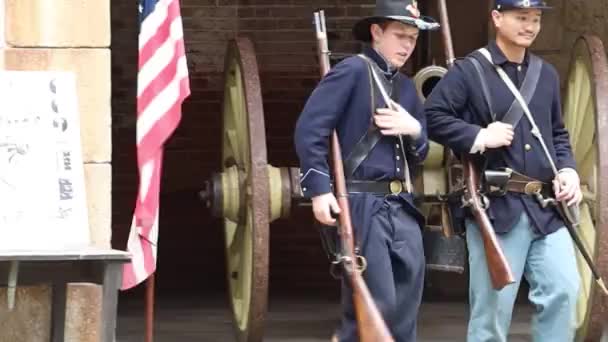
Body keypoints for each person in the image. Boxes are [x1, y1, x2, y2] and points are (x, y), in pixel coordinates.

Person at [424, 1, 582, 341]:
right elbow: (432, 117)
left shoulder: (546, 74)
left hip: (547, 208)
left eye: (536, 19)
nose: (530, 26)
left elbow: (557, 133)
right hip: (497, 209)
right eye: (521, 17)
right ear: (497, 18)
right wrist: (478, 136)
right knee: (492, 315)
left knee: (565, 292)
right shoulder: (469, 71)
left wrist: (568, 170)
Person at [294, 0, 439, 340]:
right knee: (374, 305)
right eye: (400, 35)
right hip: (362, 202)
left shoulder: (404, 87)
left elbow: (418, 154)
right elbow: (309, 130)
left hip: (401, 204)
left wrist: (414, 129)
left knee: (405, 306)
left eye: (413, 38)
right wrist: (319, 190)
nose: (407, 45)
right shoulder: (353, 71)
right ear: (376, 32)